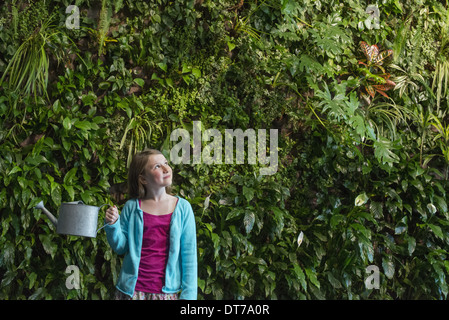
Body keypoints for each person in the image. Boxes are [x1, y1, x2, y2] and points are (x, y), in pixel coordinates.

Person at [104, 149, 197, 300]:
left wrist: (189, 297)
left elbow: (189, 257)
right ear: (143, 179)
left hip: (166, 295)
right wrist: (113, 225)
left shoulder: (183, 208)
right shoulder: (131, 207)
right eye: (157, 166)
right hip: (130, 292)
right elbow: (121, 247)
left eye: (166, 163)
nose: (166, 169)